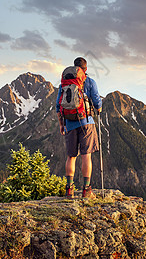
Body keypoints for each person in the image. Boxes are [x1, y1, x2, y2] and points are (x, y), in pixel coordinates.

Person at [56, 57, 102, 198]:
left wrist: (62, 125)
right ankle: (86, 190)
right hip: (86, 122)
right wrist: (98, 109)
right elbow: (97, 102)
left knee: (71, 157)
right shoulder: (89, 82)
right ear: (85, 69)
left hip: (69, 123)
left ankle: (69, 190)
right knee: (86, 155)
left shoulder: (64, 84)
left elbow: (59, 107)